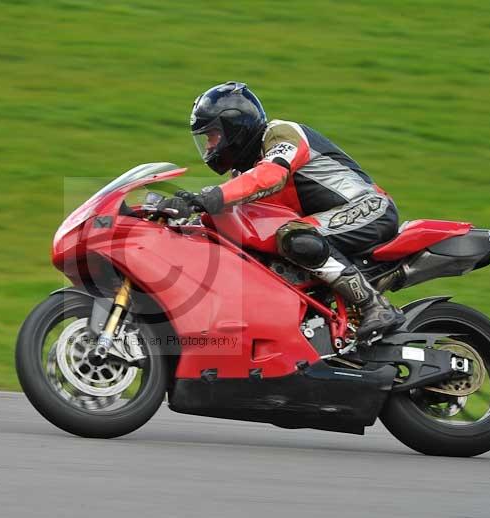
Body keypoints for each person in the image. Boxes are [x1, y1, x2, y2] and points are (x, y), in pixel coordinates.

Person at [162, 81, 405, 340]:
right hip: (325, 222)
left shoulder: (281, 134)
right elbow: (232, 214)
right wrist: (182, 217)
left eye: (212, 136)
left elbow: (271, 175)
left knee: (295, 238)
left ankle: (375, 306)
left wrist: (212, 196)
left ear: (234, 127)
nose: (210, 147)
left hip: (369, 208)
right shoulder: (244, 171)